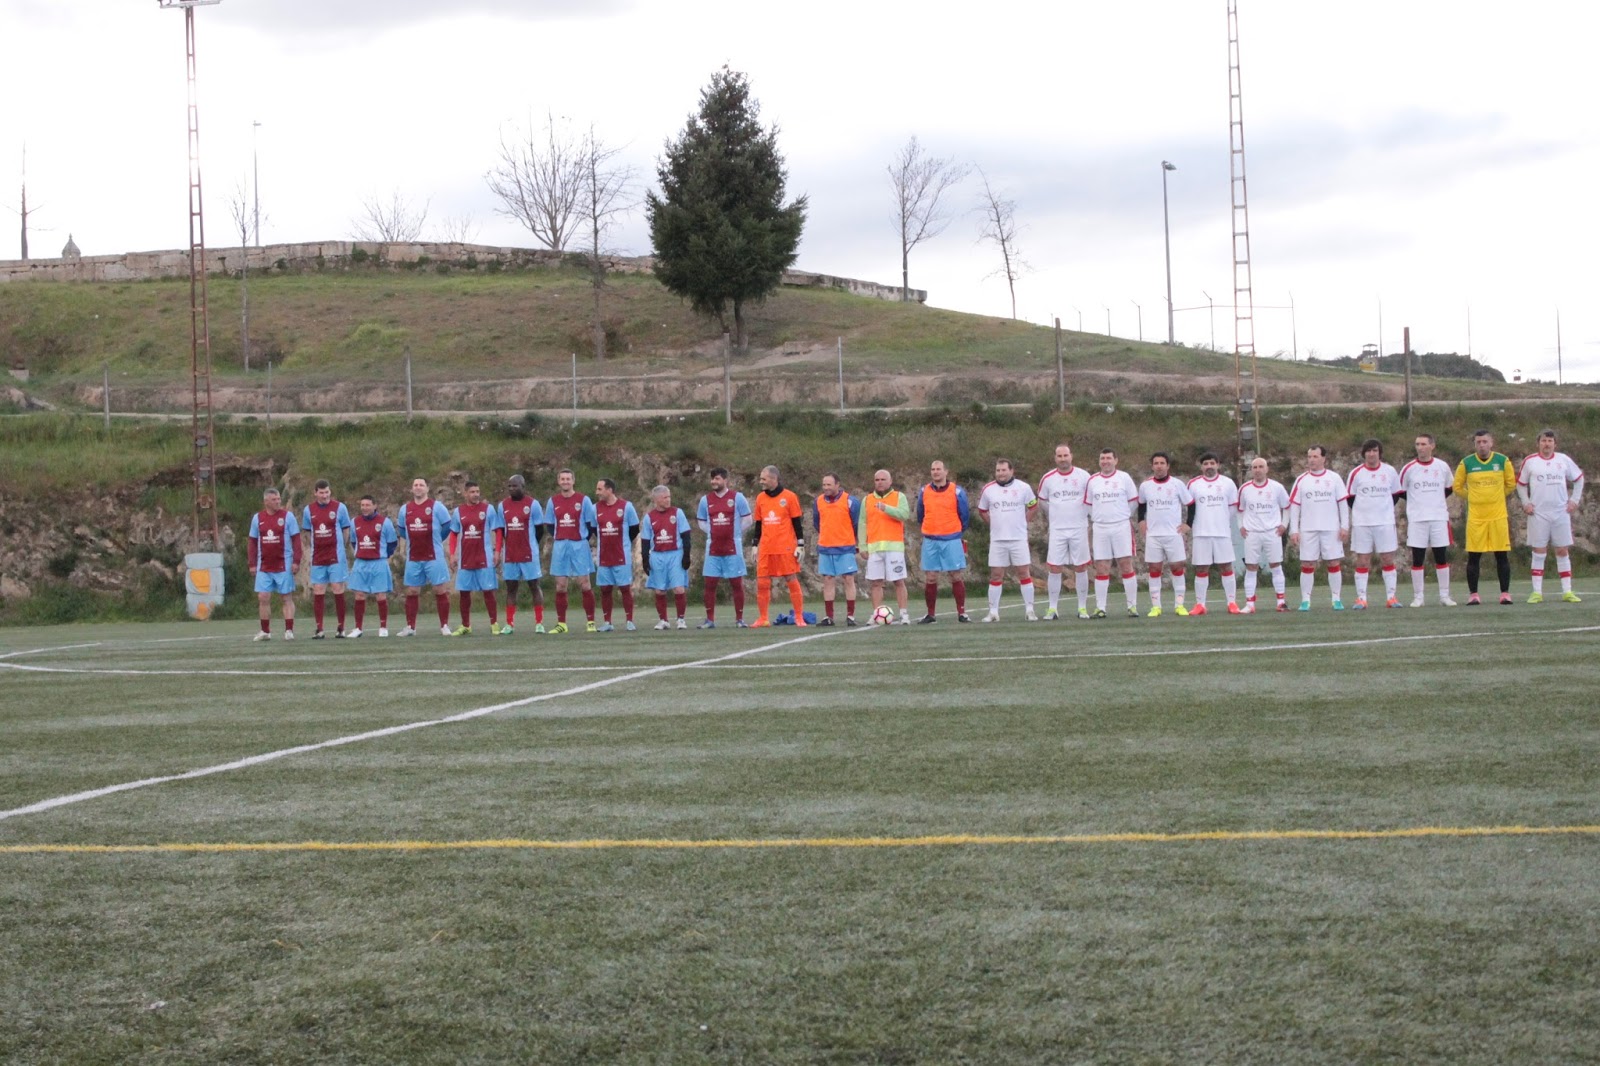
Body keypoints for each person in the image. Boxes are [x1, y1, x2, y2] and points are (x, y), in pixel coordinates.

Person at [1517, 428, 1585, 603]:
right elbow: (1521, 484)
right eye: (1543, 441)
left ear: (1555, 444)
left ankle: (1567, 591)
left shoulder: (1563, 460)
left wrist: (1574, 500)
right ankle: (1537, 592)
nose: (1546, 444)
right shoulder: (1530, 461)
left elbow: (1579, 479)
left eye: (1550, 441)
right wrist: (1526, 502)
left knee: (1562, 550)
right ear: (1538, 443)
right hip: (1538, 513)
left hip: (1560, 512)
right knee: (1539, 551)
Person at [1453, 429, 1517, 605]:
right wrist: (1473, 497)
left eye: (1485, 442)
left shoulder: (1502, 461)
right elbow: (1457, 487)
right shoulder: (1466, 463)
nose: (1482, 445)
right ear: (1474, 444)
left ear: (1491, 443)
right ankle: (1473, 594)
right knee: (1474, 556)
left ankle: (1505, 593)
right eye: (1478, 442)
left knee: (1501, 555)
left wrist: (1497, 496)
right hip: (1476, 518)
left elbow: (1511, 484)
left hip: (1498, 516)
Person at [1398, 433, 1457, 607]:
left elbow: (1449, 488)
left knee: (1441, 557)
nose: (1420, 447)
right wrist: (1418, 503)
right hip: (1417, 519)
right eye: (1417, 444)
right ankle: (1418, 597)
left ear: (1432, 446)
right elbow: (1401, 491)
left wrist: (1434, 501)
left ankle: (1444, 595)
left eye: (1423, 444)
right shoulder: (1409, 469)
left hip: (1438, 518)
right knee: (1418, 558)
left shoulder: (1442, 466)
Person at [1288, 444, 1349, 611]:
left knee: (1333, 562)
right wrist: (1294, 530)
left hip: (1331, 528)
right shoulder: (1301, 480)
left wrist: (1344, 526)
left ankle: (1336, 599)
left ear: (1323, 458)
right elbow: (1295, 506)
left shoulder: (1334, 478)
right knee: (1307, 564)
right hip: (1308, 529)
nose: (1311, 460)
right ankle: (1305, 600)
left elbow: (1342, 503)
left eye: (1315, 456)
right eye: (1309, 457)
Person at [1344, 439, 1402, 610]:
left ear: (1379, 453)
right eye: (1368, 451)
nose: (1371, 454)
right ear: (1364, 454)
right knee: (1363, 560)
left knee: (1387, 558)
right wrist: (1364, 512)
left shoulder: (1389, 471)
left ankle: (1391, 597)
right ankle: (1361, 598)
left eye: (1375, 450)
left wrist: (1382, 511)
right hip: (1362, 524)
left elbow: (1395, 495)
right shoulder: (1356, 473)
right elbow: (1350, 498)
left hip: (1385, 522)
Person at [1037, 444, 1092, 620]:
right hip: (1058, 529)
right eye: (1059, 456)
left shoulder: (1084, 476)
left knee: (1081, 566)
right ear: (1055, 458)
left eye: (1065, 455)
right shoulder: (1048, 478)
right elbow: (1043, 502)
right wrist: (1056, 515)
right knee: (1054, 567)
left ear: (1071, 456)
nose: (1063, 459)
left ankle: (1082, 608)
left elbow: (1091, 499)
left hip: (1079, 528)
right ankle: (1052, 609)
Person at [1084, 448, 1140, 618]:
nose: (1105, 461)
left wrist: (1122, 516)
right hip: (1100, 528)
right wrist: (1099, 518)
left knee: (1125, 564)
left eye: (1109, 458)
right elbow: (1088, 505)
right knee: (1101, 567)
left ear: (1116, 460)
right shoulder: (1093, 480)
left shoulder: (1124, 478)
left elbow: (1133, 501)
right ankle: (1101, 608)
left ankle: (1132, 606)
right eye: (1102, 458)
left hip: (1121, 526)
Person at [1137, 452, 1194, 617]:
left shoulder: (1177, 484)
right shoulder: (1145, 486)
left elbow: (1191, 504)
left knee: (1177, 567)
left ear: (1167, 466)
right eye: (1156, 463)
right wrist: (1141, 521)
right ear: (1152, 466)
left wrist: (1188, 524)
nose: (1159, 466)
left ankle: (1179, 605)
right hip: (1153, 536)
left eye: (1162, 463)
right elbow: (1141, 505)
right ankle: (1156, 607)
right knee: (1154, 569)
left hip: (1173, 534)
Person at [750, 465, 807, 628]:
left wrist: (800, 544)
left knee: (791, 578)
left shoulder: (789, 497)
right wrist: (755, 544)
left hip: (785, 546)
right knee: (762, 582)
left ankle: (798, 617)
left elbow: (797, 522)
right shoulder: (760, 498)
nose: (761, 481)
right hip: (766, 547)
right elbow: (758, 523)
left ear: (773, 479)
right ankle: (763, 618)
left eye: (763, 478)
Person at [397, 477, 455, 637]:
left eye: (421, 485)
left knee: (440, 589)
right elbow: (402, 530)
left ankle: (444, 626)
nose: (418, 487)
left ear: (427, 488)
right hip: (414, 556)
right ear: (411, 489)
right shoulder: (405, 509)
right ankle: (411, 627)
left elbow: (447, 526)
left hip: (434, 555)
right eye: (415, 485)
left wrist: (436, 540)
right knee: (412, 591)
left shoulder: (437, 507)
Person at [915, 460, 972, 623]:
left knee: (955, 575)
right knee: (931, 577)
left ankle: (962, 613)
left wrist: (955, 531)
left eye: (938, 469)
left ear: (946, 471)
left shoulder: (957, 491)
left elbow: (964, 515)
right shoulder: (924, 491)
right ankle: (930, 614)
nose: (935, 472)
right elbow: (920, 514)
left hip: (951, 539)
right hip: (930, 540)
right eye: (933, 469)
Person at [696, 468, 753, 628]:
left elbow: (748, 519)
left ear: (725, 480)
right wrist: (712, 532)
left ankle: (739, 619)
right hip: (713, 548)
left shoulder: (737, 498)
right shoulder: (705, 500)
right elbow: (701, 521)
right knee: (710, 583)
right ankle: (710, 620)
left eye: (717, 479)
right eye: (712, 479)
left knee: (736, 583)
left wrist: (735, 533)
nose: (714, 482)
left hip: (733, 547)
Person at [545, 468, 599, 633]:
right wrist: (561, 536)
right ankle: (562, 624)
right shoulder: (553, 501)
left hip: (579, 545)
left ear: (573, 481)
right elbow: (550, 525)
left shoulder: (583, 500)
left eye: (568, 479)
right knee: (561, 585)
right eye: (562, 479)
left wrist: (582, 538)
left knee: (585, 583)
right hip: (561, 545)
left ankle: (590, 622)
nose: (565, 482)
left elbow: (590, 524)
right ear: (558, 481)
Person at [1186, 452, 1240, 615]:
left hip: (1222, 532)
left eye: (1212, 463)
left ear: (1218, 465)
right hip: (1201, 533)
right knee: (1201, 568)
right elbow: (1189, 508)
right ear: (1201, 467)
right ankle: (1200, 604)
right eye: (1205, 464)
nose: (1209, 466)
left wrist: (1221, 520)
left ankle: (1232, 603)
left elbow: (1233, 507)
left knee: (1226, 566)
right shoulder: (1193, 484)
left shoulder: (1228, 483)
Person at [858, 468, 914, 624]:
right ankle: (876, 613)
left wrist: (886, 508)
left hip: (894, 547)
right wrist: (862, 545)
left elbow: (904, 514)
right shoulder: (867, 500)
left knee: (898, 581)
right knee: (875, 583)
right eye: (877, 480)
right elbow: (862, 523)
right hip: (874, 548)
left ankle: (903, 614)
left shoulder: (899, 496)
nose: (880, 482)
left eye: (883, 479)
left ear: (890, 481)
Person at [447, 480, 503, 636]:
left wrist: (497, 551)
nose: (476, 494)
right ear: (465, 494)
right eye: (472, 492)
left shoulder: (488, 509)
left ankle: (494, 623)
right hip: (466, 558)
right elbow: (453, 534)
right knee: (464, 592)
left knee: (488, 591)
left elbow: (498, 531)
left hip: (484, 557)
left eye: (477, 491)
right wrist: (452, 554)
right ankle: (466, 625)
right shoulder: (459, 512)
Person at [300, 479, 353, 639]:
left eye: (327, 492)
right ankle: (319, 628)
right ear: (315, 493)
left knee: (337, 588)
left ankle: (341, 627)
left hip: (336, 556)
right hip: (318, 556)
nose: (325, 496)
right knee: (318, 590)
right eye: (321, 493)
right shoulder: (309, 510)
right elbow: (308, 532)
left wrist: (341, 546)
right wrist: (314, 546)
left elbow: (346, 530)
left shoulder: (339, 508)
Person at [1237, 456, 1291, 613]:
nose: (1258, 470)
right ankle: (1250, 604)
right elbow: (1239, 509)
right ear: (1251, 470)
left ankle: (1281, 602)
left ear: (1267, 469)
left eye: (1261, 467)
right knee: (1251, 567)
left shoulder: (1277, 487)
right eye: (1255, 467)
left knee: (1276, 565)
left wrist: (1284, 524)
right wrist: (1241, 526)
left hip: (1272, 532)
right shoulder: (1244, 489)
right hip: (1252, 533)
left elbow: (1287, 506)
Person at [248, 487, 300, 641]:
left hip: (283, 564)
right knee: (263, 597)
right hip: (264, 565)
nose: (278, 502)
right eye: (274, 500)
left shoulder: (288, 517)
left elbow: (296, 540)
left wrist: (296, 561)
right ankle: (265, 631)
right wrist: (252, 563)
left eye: (278, 499)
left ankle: (289, 630)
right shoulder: (258, 518)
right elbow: (252, 542)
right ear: (266, 502)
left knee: (286, 597)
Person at [498, 475, 547, 634]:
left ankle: (539, 623)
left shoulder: (533, 505)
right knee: (511, 589)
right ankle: (509, 624)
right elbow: (502, 530)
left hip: (528, 553)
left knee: (534, 586)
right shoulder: (502, 506)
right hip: (510, 554)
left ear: (523, 487)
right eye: (509, 486)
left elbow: (539, 530)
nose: (512, 489)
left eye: (515, 486)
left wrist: (531, 544)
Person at [641, 485, 693, 629]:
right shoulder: (649, 517)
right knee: (659, 590)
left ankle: (681, 619)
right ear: (656, 500)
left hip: (675, 554)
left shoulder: (677, 513)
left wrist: (686, 555)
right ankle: (663, 620)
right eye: (665, 497)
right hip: (657, 555)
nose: (668, 500)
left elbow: (686, 535)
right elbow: (645, 540)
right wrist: (645, 559)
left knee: (679, 588)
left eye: (669, 497)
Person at [813, 472, 861, 626]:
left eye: (829, 484)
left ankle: (850, 616)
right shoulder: (818, 501)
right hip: (826, 547)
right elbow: (817, 523)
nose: (826, 487)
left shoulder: (850, 501)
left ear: (837, 485)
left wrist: (851, 539)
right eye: (824, 485)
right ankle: (829, 617)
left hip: (845, 547)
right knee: (828, 580)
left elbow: (856, 523)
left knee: (848, 579)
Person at [345, 494, 397, 638]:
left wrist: (383, 555)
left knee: (380, 595)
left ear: (375, 506)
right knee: (359, 595)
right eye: (362, 505)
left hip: (378, 562)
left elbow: (392, 543)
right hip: (361, 563)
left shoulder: (384, 522)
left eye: (368, 505)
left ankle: (383, 627)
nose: (365, 508)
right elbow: (354, 541)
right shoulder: (355, 522)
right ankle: (358, 628)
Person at [593, 478, 641, 632]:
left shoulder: (626, 507)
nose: (597, 492)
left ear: (609, 490)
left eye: (600, 489)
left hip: (621, 555)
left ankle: (629, 621)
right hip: (603, 556)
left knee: (625, 588)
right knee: (605, 589)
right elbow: (593, 529)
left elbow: (634, 528)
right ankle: (607, 622)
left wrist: (623, 542)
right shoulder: (595, 508)